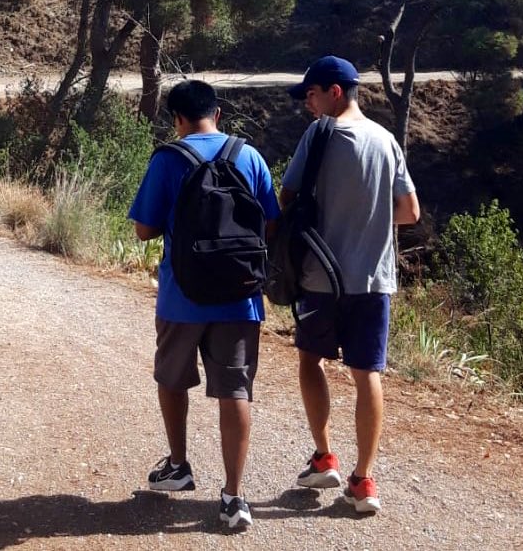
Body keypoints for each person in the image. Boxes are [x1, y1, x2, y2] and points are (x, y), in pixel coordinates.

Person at [128, 79, 279, 531]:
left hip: (182, 297)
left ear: (177, 119)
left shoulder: (169, 159)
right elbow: (270, 221)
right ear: (217, 113)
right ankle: (234, 497)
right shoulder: (248, 156)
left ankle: (179, 465)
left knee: (173, 379)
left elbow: (144, 230)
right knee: (235, 390)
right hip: (240, 297)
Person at [282, 55, 420, 515]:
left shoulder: (319, 135)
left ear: (335, 92)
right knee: (368, 376)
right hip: (374, 279)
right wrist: (370, 221)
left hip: (320, 278)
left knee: (309, 360)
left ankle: (324, 458)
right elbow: (410, 212)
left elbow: (288, 196)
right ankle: (363, 480)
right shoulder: (386, 140)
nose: (308, 104)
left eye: (312, 94)